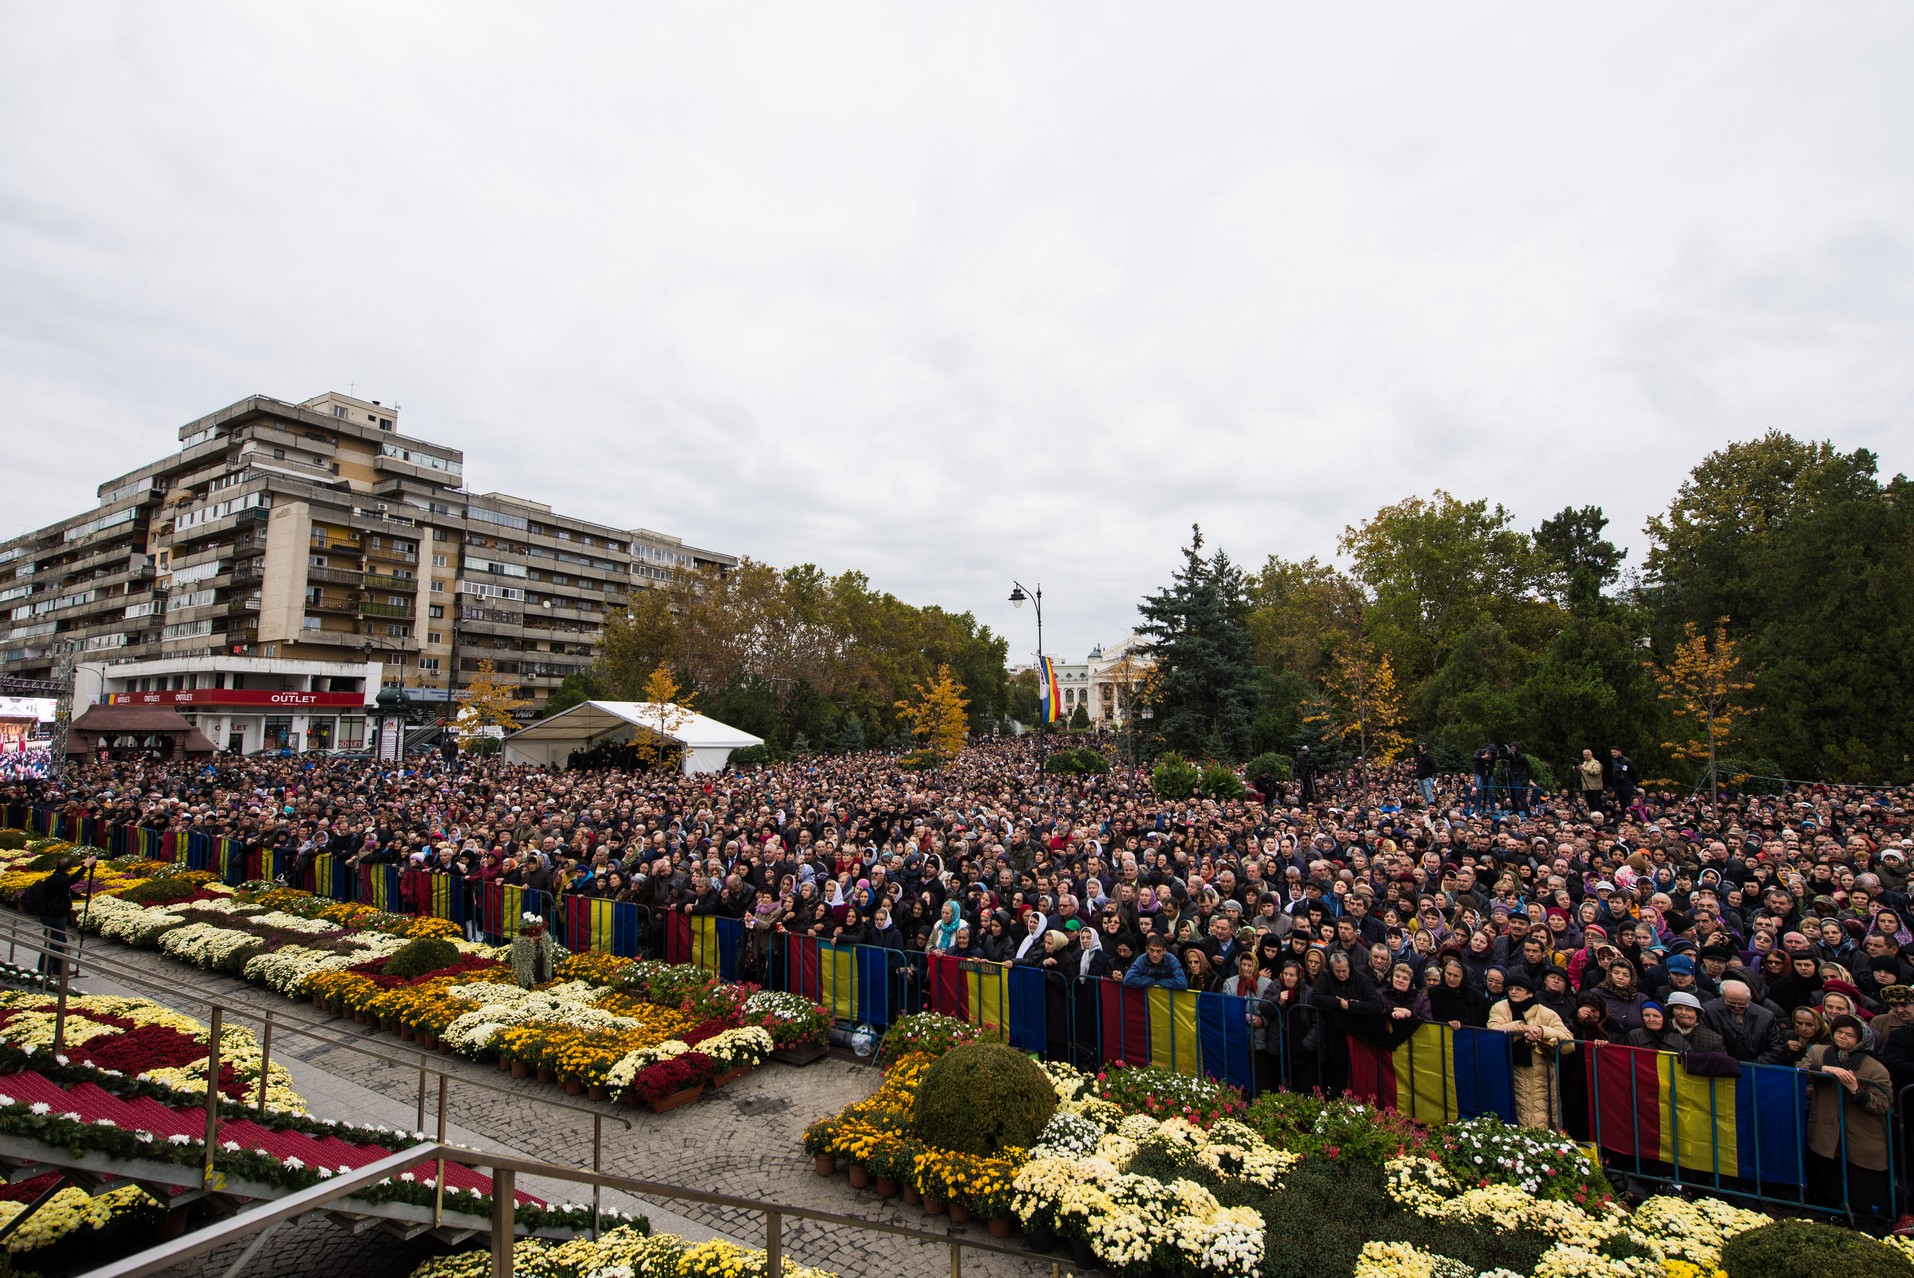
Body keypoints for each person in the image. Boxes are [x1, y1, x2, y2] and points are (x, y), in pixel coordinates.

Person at [1804, 1015, 1894, 1225]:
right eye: (1839, 1032)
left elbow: (1883, 1103)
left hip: (1860, 1133)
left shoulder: (1874, 1068)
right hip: (1825, 1127)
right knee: (1827, 1175)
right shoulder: (1819, 1052)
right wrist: (1824, 1069)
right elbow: (1800, 1069)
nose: (1842, 1037)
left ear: (1861, 1039)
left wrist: (1856, 1090)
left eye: (1850, 1035)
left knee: (1859, 1183)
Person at [1488, 973, 1574, 1131]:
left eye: (1519, 989)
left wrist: (1542, 1032)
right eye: (1511, 988)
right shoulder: (1499, 1008)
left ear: (1530, 993)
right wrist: (1522, 1028)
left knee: (1539, 1121)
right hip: (1507, 1070)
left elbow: (1569, 1042)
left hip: (1540, 1074)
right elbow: (1493, 1031)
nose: (1514, 992)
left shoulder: (1547, 1014)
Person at [1123, 932, 1188, 990]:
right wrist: (1152, 981)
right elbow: (1128, 980)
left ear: (1164, 951)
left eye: (1158, 951)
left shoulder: (1172, 960)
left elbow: (1182, 983)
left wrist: (1159, 982)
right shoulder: (1142, 959)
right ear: (1147, 949)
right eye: (1152, 950)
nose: (1155, 955)